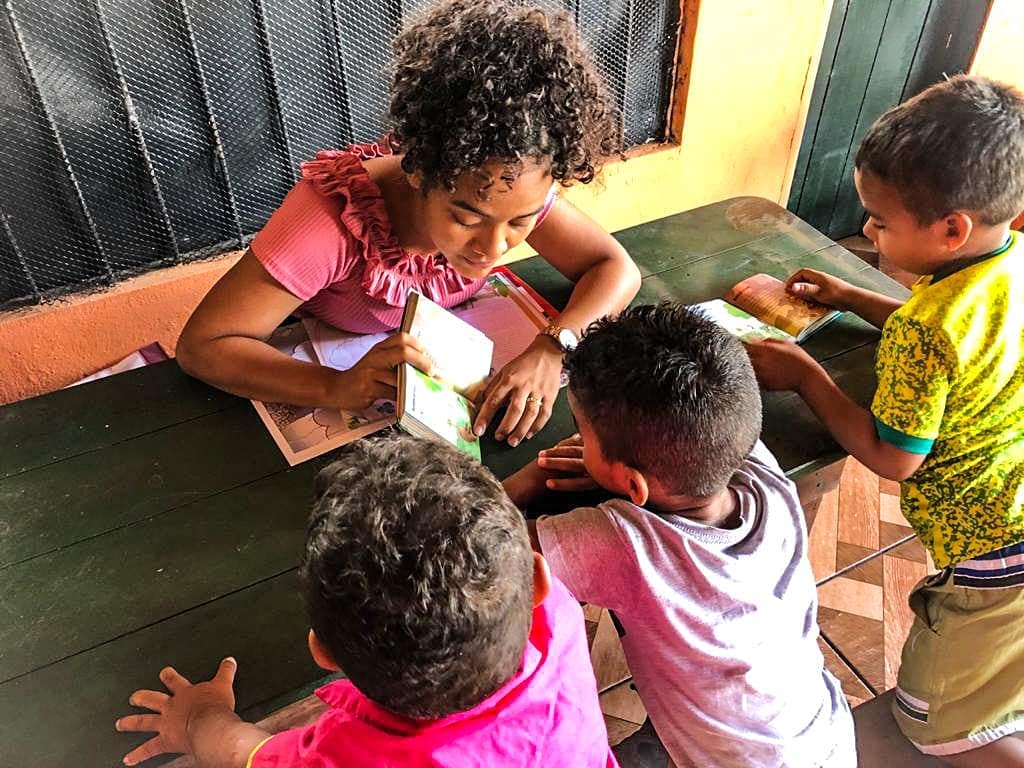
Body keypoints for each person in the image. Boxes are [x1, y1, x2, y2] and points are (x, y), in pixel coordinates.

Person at [175, 0, 640, 447]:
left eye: (521, 221)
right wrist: (334, 387)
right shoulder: (331, 221)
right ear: (417, 171)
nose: (494, 247)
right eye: (466, 217)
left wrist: (555, 345)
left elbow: (615, 268)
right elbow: (204, 346)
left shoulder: (511, 185)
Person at [746, 75, 1024, 765]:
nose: (867, 229)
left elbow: (895, 457)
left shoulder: (927, 330)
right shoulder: (1005, 265)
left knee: (938, 712)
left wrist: (804, 376)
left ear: (951, 228)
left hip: (992, 555)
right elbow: (957, 337)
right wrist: (850, 295)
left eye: (879, 220)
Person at [115, 435, 618, 767]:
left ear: (323, 653)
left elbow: (247, 752)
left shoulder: (350, 759)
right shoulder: (557, 618)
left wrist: (199, 719)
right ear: (537, 579)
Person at [503, 304, 856, 767]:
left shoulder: (623, 545)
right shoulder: (761, 472)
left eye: (582, 435)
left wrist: (526, 480)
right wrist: (615, 465)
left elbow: (485, 549)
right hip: (821, 734)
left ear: (634, 485)